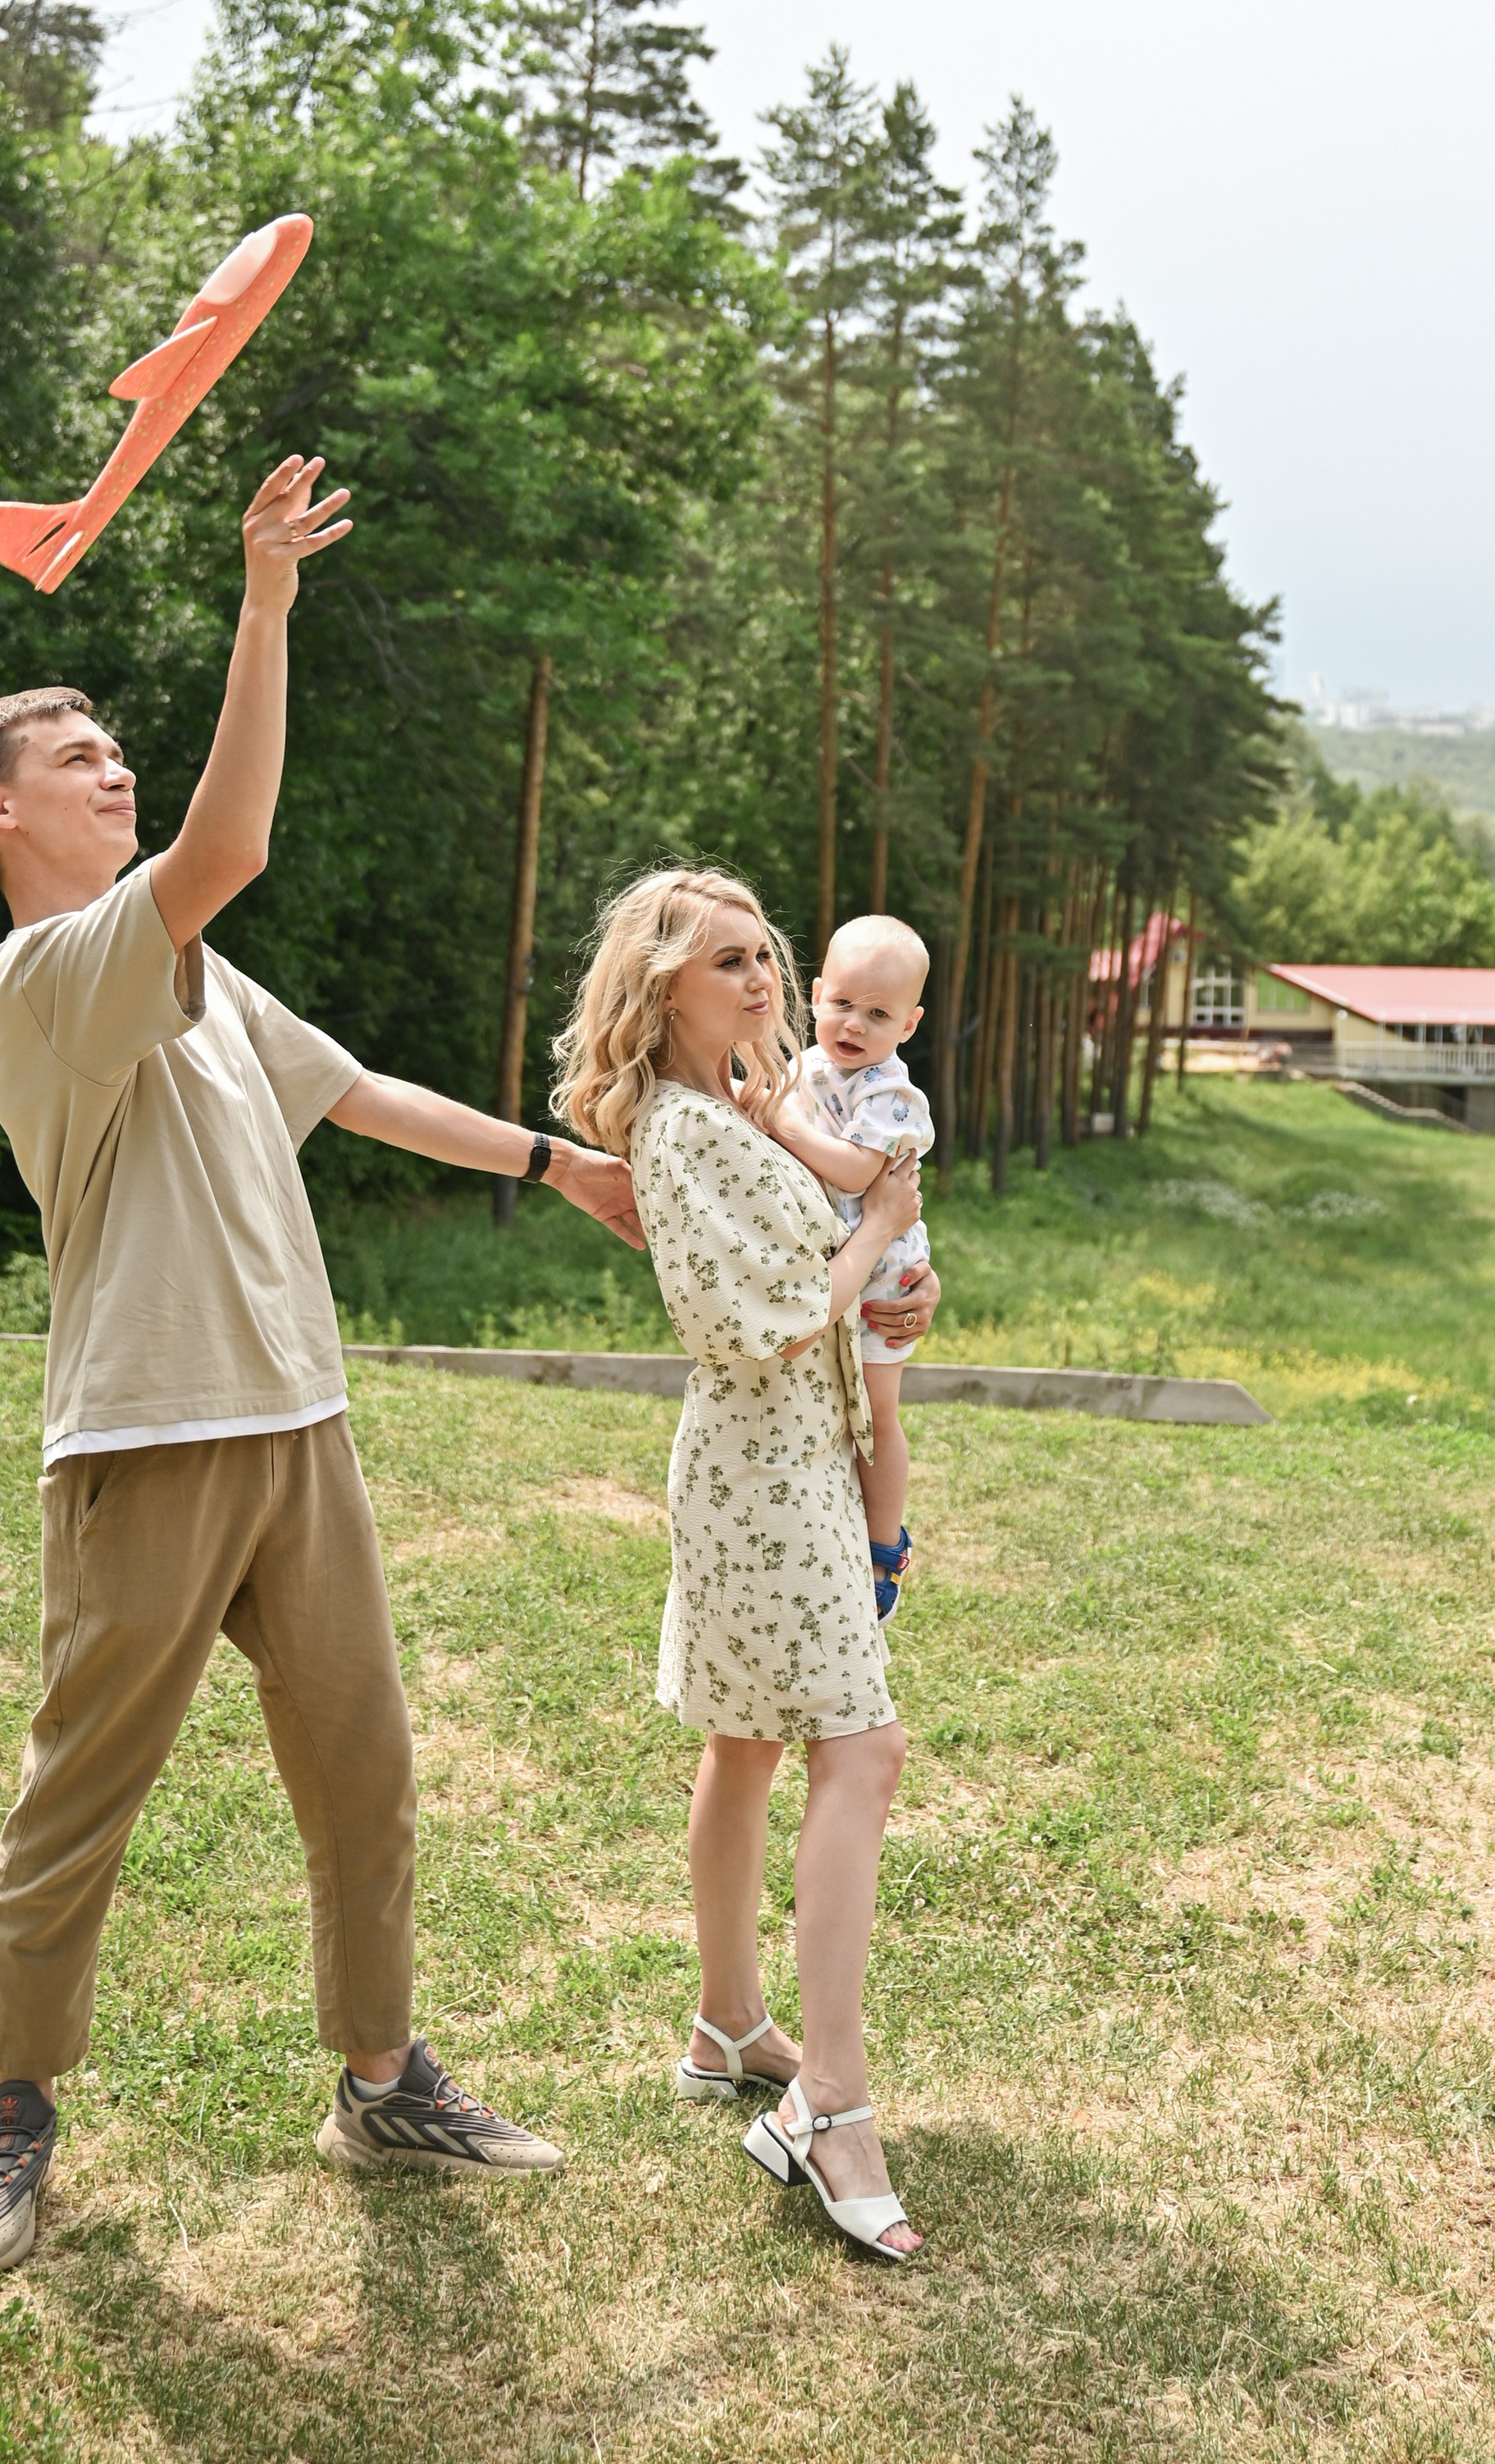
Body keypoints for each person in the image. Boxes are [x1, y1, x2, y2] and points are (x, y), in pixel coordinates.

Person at [0, 454, 642, 2274]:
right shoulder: (43, 981)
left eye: (114, 746)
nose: (113, 764)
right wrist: (262, 600)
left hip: (296, 1431)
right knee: (79, 1795)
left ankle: (380, 2079)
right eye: (73, 754)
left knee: (363, 1769)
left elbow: (359, 1092)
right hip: (145, 1443)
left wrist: (568, 1172)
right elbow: (225, 846)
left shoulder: (197, 978)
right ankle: (14, 2110)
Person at [552, 867, 935, 2263]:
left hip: (799, 1459)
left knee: (750, 1745)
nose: (764, 981)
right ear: (661, 986)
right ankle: (829, 2102)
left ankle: (729, 2024)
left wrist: (893, 1287)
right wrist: (876, 1241)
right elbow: (763, 1321)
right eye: (729, 963)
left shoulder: (749, 1105)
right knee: (863, 1748)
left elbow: (820, 1288)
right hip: (761, 1474)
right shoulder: (677, 1127)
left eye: (766, 956)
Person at [768, 915, 934, 1626]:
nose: (855, 1025)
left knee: (874, 1413)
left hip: (882, 1274)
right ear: (813, 994)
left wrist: (781, 1121)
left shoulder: (890, 1093)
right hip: (835, 1261)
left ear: (909, 1024)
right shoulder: (802, 1068)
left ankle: (881, 1546)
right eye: (842, 1003)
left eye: (878, 1014)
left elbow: (858, 1170)